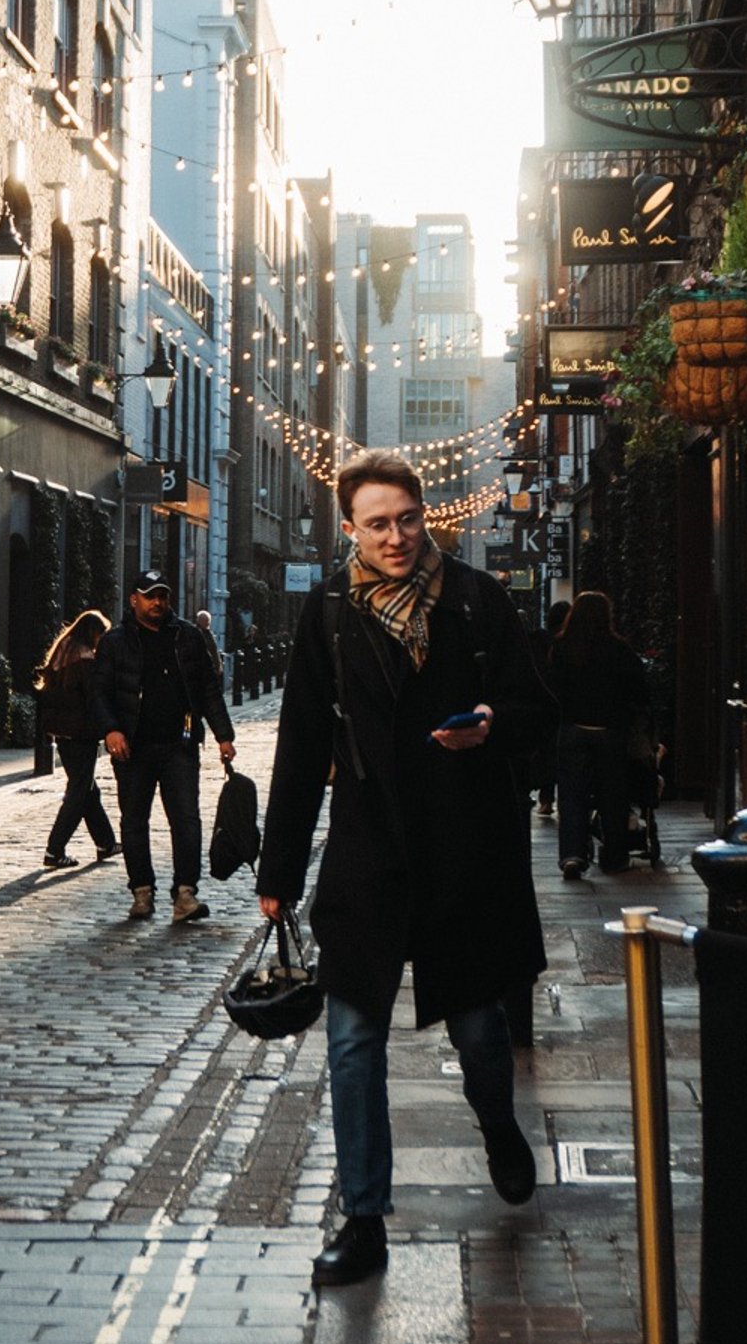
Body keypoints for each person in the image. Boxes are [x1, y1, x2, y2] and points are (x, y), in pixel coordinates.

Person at [257, 451, 555, 1289]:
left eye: (408, 520)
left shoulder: (475, 598)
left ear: (428, 517)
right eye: (377, 524)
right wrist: (277, 869)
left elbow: (540, 707)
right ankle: (363, 1219)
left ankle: (497, 1125)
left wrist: (491, 721)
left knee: (479, 1031)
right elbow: (302, 743)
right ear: (349, 528)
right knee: (353, 1044)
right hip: (368, 851)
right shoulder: (328, 614)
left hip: (464, 848)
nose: (396, 537)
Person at [93, 566, 238, 922]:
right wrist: (111, 730)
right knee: (134, 822)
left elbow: (207, 690)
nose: (157, 602)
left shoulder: (187, 636)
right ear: (134, 600)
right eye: (150, 595)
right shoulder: (116, 642)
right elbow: (99, 693)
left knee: (187, 820)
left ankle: (185, 894)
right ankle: (142, 892)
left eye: (162, 595)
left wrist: (223, 735)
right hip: (133, 746)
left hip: (180, 744)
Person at [549, 590, 652, 880]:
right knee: (613, 793)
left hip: (572, 729)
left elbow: (552, 690)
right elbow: (639, 691)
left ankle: (572, 854)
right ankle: (615, 856)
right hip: (610, 730)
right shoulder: (619, 649)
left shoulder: (562, 647)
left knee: (571, 795)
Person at [33, 608, 117, 869]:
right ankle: (54, 850)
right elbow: (95, 698)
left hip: (63, 731)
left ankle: (106, 843)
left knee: (87, 788)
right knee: (79, 791)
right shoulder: (85, 661)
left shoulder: (62, 653)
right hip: (82, 732)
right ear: (92, 632)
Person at [531, 599, 569, 821]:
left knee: (546, 752)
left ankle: (546, 799)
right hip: (566, 708)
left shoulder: (540, 643)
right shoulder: (568, 645)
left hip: (546, 705)